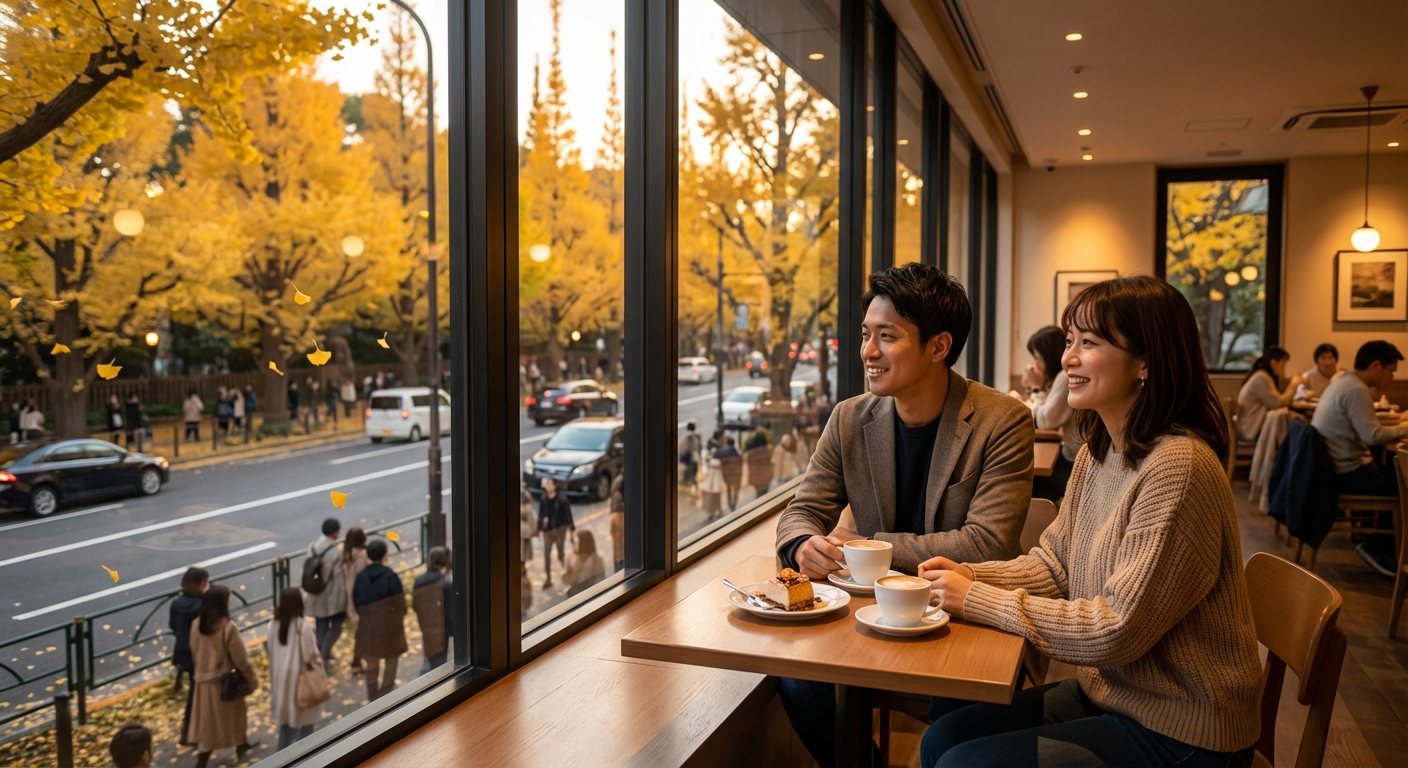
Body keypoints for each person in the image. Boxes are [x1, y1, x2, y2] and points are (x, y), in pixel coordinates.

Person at [916, 274, 1260, 768]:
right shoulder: (1100, 453)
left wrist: (977, 598)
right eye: (1070, 339)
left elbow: (1117, 630)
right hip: (1117, 697)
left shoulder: (1178, 467)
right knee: (942, 738)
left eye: (1090, 342)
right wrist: (972, 575)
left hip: (1183, 730)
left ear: (1147, 362)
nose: (1068, 357)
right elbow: (1057, 566)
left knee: (960, 763)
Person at [775, 263, 1033, 768]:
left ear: (938, 347)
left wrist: (867, 548)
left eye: (887, 337)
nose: (868, 351)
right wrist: (801, 544)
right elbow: (803, 510)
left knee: (957, 711)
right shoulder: (850, 418)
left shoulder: (1001, 421)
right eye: (866, 335)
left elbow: (989, 544)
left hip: (964, 617)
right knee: (799, 679)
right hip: (870, 612)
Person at [1311, 340, 1408, 575]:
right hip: (1345, 475)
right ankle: (1377, 548)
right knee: (1402, 481)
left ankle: (1375, 542)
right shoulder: (1357, 389)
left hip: (1330, 469)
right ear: (1376, 366)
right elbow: (1372, 435)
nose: (1392, 377)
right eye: (1391, 370)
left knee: (1391, 471)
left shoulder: (1343, 381)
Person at [188, 585, 259, 768]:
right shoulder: (228, 627)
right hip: (224, 685)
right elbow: (241, 659)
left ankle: (203, 759)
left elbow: (194, 652)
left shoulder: (196, 624)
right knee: (234, 719)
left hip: (203, 684)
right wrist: (252, 680)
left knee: (208, 724)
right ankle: (240, 745)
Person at [1022, 325, 1079, 500]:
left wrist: (1037, 388)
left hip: (1073, 460)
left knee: (1024, 486)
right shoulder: (1060, 378)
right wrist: (1040, 388)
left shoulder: (1065, 376)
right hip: (1070, 454)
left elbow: (1045, 420)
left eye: (1037, 358)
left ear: (1049, 356)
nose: (1035, 364)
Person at [352, 537, 407, 701]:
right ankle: (387, 694)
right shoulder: (390, 576)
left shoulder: (361, 576)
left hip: (368, 627)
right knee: (391, 661)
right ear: (385, 555)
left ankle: (372, 696)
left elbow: (357, 602)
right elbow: (400, 604)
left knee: (371, 662)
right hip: (390, 626)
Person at [266, 587, 320, 749]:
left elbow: (270, 649)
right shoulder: (303, 625)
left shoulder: (274, 624)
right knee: (305, 723)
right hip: (301, 679)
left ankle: (282, 758)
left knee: (286, 724)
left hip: (281, 679)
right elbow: (311, 654)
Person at [169, 567, 208, 746]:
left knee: (195, 691)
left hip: (181, 652)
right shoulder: (200, 605)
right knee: (196, 693)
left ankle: (190, 732)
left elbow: (173, 625)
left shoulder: (177, 602)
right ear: (201, 584)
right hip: (196, 655)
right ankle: (189, 734)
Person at [303, 518, 348, 671]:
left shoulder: (314, 545)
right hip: (330, 595)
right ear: (335, 532)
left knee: (320, 627)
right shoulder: (335, 552)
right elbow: (338, 578)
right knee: (336, 626)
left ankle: (319, 656)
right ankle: (323, 657)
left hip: (315, 593)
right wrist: (342, 600)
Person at [1235, 346, 1302, 443]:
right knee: (1295, 426)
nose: (1284, 366)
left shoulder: (1263, 376)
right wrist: (1294, 385)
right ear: (1274, 363)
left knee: (1293, 422)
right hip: (1252, 429)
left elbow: (1278, 394)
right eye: (1283, 362)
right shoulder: (1261, 378)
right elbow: (1278, 403)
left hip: (1254, 425)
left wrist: (1290, 381)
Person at [413, 546, 453, 671]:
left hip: (426, 625)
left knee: (431, 656)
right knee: (440, 661)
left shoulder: (419, 580)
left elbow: (415, 605)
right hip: (441, 628)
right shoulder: (445, 583)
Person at [340, 527, 371, 674]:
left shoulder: (345, 554)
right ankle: (357, 662)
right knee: (362, 631)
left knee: (359, 629)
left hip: (349, 594)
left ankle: (357, 661)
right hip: (361, 596)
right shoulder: (362, 555)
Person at [538, 477, 574, 589]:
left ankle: (567, 572)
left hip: (559, 529)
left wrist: (571, 528)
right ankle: (548, 578)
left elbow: (568, 515)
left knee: (560, 551)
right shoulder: (544, 499)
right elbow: (541, 514)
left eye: (549, 483)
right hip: (548, 530)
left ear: (555, 486)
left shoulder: (562, 499)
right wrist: (540, 526)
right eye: (546, 483)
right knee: (546, 554)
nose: (547, 485)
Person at [563, 530, 606, 596]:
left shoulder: (596, 560)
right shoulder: (571, 556)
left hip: (590, 595)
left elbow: (600, 580)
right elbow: (567, 578)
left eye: (577, 541)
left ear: (584, 543)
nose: (575, 543)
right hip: (575, 594)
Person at [716, 436, 743, 510]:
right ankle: (734, 504)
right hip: (735, 474)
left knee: (728, 489)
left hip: (726, 475)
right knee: (735, 489)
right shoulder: (737, 452)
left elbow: (716, 458)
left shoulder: (722, 451)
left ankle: (729, 504)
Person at [700, 455, 724, 521]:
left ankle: (715, 512)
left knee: (714, 499)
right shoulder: (714, 469)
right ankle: (712, 512)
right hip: (712, 486)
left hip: (714, 486)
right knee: (711, 499)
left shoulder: (714, 466)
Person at [609, 473, 625, 570]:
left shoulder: (620, 478)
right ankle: (619, 568)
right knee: (620, 546)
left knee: (618, 546)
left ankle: (618, 568)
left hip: (617, 515)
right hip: (619, 515)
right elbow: (616, 505)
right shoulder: (623, 480)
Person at [678, 421, 700, 489]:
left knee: (685, 474)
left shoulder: (687, 436)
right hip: (692, 457)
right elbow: (696, 448)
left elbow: (681, 447)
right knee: (691, 475)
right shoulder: (694, 436)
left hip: (686, 457)